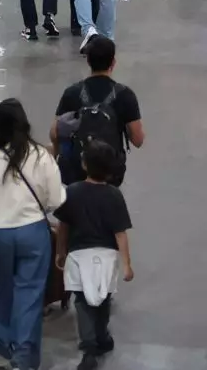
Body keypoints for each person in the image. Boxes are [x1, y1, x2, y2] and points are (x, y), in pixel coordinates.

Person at [0, 99, 66, 370]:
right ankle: (25, 359)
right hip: (33, 233)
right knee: (30, 294)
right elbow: (56, 199)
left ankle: (2, 349)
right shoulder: (41, 155)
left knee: (0, 291)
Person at [53, 139, 134, 370]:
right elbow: (120, 234)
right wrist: (126, 264)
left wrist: (60, 252)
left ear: (84, 165)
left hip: (78, 255)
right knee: (102, 299)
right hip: (106, 258)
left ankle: (88, 348)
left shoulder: (72, 192)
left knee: (82, 301)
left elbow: (63, 226)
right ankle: (102, 336)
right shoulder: (114, 196)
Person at [51, 35, 144, 188]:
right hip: (110, 173)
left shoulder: (72, 92)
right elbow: (138, 140)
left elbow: (55, 132)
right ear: (113, 62)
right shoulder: (125, 95)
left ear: (88, 61)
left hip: (77, 171)